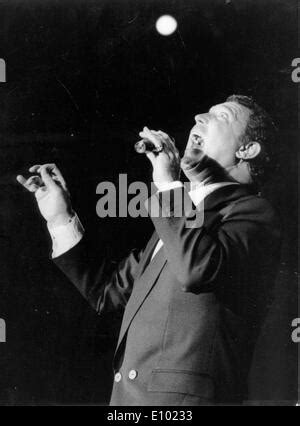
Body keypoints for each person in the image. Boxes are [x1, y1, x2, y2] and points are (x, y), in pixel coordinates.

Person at [17, 95, 281, 405]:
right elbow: (108, 292)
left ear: (246, 149)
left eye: (220, 117)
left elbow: (197, 270)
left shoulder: (254, 213)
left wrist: (168, 184)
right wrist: (60, 217)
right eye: (204, 113)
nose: (198, 117)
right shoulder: (178, 220)